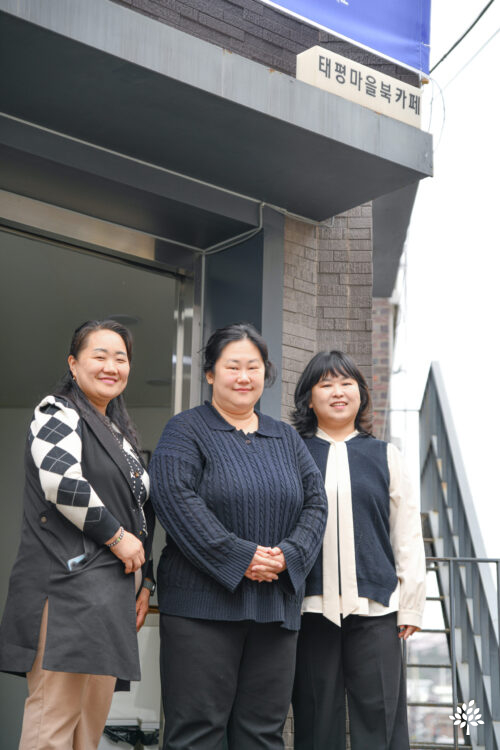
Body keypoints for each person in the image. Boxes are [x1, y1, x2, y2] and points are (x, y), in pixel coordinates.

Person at [149, 322, 328, 750]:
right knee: (196, 733)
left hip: (275, 608)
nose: (244, 377)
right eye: (233, 366)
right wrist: (239, 557)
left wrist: (288, 556)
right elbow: (175, 498)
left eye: (254, 367)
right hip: (200, 609)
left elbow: (316, 504)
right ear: (210, 373)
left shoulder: (285, 436)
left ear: (266, 373)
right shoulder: (185, 430)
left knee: (262, 735)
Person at [0, 319, 155, 750]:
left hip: (110, 593)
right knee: (53, 721)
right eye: (99, 356)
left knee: (89, 726)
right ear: (73, 363)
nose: (111, 366)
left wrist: (146, 582)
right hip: (66, 587)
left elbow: (140, 510)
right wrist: (117, 537)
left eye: (120, 358)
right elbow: (61, 482)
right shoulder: (57, 411)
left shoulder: (118, 432)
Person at [291, 350, 426, 750]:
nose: (338, 392)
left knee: (380, 720)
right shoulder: (293, 453)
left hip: (376, 610)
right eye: (326, 384)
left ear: (361, 394)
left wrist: (411, 604)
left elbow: (406, 534)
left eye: (346, 383)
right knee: (316, 721)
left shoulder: (386, 455)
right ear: (309, 398)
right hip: (310, 609)